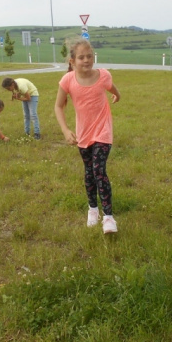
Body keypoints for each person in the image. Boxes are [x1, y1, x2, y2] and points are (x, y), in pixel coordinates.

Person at [54, 39, 122, 234]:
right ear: (72, 60)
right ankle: (93, 209)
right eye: (81, 57)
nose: (86, 60)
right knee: (89, 172)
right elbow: (59, 106)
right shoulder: (67, 80)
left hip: (103, 132)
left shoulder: (103, 76)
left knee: (99, 170)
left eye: (89, 56)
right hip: (83, 134)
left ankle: (108, 217)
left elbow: (112, 88)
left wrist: (118, 95)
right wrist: (66, 130)